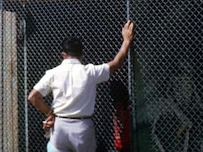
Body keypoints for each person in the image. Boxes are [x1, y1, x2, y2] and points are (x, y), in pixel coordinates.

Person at [28, 21, 135, 152]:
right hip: (82, 127)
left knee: (52, 147)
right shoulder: (89, 72)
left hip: (60, 126)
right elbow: (116, 63)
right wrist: (126, 41)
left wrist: (50, 113)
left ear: (63, 55)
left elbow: (33, 97)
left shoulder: (53, 73)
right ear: (82, 55)